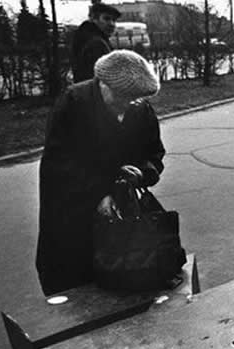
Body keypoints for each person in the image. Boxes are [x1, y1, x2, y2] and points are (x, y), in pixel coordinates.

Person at [36, 50, 165, 296]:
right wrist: (99, 194)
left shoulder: (140, 108)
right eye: (122, 97)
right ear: (102, 84)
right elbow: (59, 164)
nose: (128, 104)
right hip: (72, 210)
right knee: (75, 280)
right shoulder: (74, 102)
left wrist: (142, 172)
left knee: (124, 274)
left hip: (122, 211)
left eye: (135, 99)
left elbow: (154, 153)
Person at [71, 1, 120, 83]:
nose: (112, 24)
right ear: (94, 19)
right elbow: (105, 78)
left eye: (114, 20)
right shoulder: (97, 43)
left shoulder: (84, 36)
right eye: (106, 19)